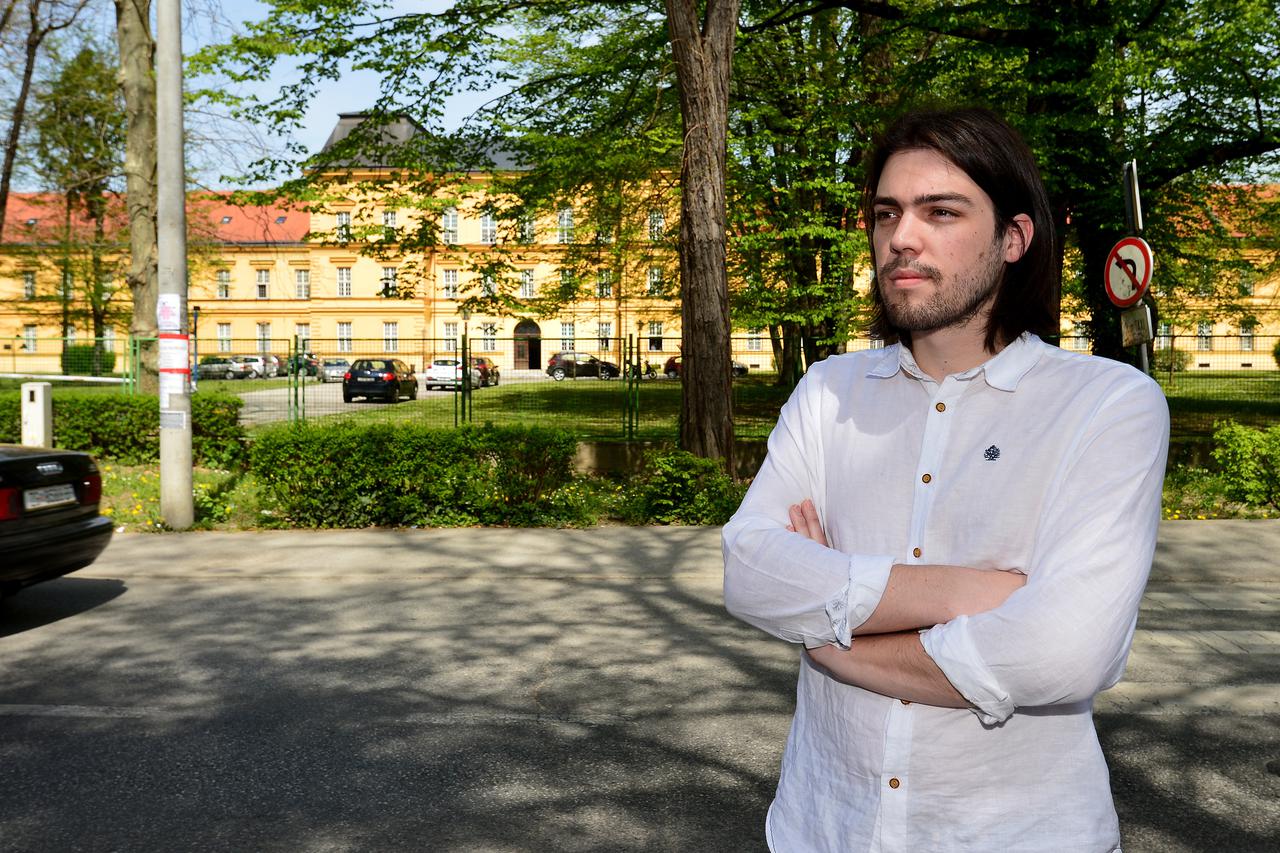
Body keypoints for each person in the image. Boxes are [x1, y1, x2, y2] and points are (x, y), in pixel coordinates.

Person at [722, 107, 1169, 852]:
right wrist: (970, 592)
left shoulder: (1107, 406)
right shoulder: (829, 391)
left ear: (1014, 238)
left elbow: (1061, 649)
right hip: (825, 827)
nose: (902, 236)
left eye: (941, 211)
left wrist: (832, 634)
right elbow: (749, 570)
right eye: (887, 213)